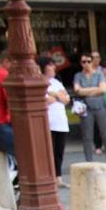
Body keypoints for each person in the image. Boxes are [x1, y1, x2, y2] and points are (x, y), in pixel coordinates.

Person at [73, 53, 106, 168]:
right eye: (83, 62)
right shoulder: (78, 76)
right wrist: (94, 90)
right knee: (87, 136)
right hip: (86, 109)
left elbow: (102, 89)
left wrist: (85, 91)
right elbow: (77, 90)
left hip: (101, 106)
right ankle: (89, 162)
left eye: (88, 61)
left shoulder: (99, 74)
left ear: (93, 61)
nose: (86, 64)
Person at [39, 57, 70, 188]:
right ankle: (49, 177)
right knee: (48, 151)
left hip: (60, 122)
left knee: (59, 151)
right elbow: (44, 100)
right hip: (48, 123)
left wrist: (54, 94)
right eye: (50, 65)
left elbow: (66, 99)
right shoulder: (39, 81)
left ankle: (58, 177)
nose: (53, 68)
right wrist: (56, 96)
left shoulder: (57, 83)